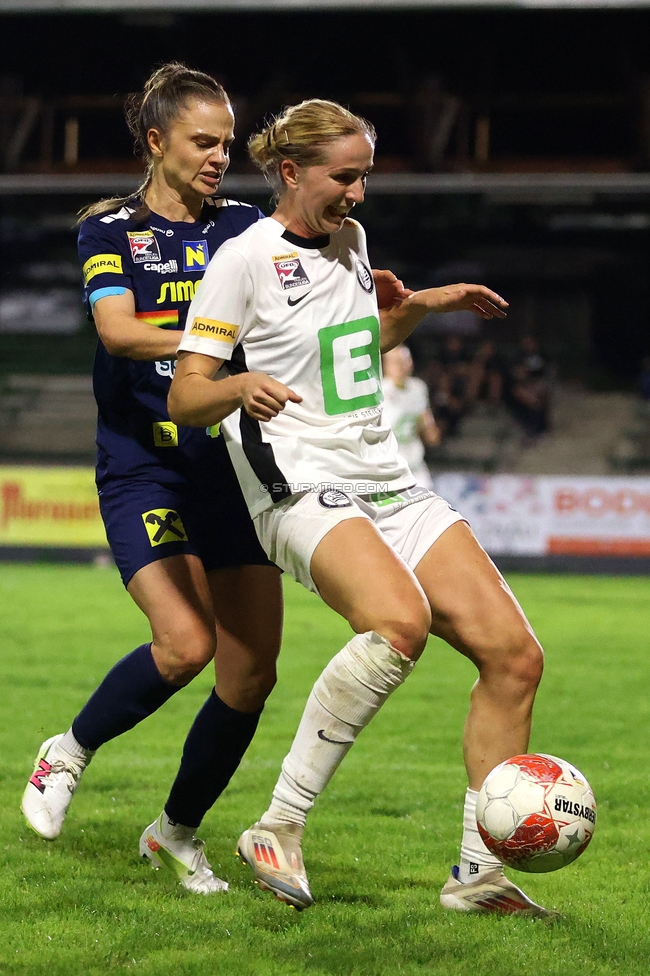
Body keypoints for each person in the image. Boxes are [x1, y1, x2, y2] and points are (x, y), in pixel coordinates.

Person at [167, 98, 554, 918]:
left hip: (386, 476)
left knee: (516, 657)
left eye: (365, 176)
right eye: (345, 177)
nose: (359, 193)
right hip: (299, 481)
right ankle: (279, 826)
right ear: (291, 171)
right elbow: (186, 395)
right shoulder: (243, 259)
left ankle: (477, 874)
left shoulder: (349, 240)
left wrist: (422, 305)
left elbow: (350, 352)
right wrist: (237, 382)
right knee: (397, 625)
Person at [20, 63, 286, 896]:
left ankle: (175, 832)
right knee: (186, 645)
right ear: (157, 140)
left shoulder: (248, 225)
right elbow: (120, 332)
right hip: (147, 467)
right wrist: (223, 338)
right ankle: (66, 752)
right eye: (203, 142)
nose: (219, 157)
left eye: (227, 143)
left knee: (249, 676)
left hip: (231, 470)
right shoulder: (110, 230)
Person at [382, 344, 440, 488]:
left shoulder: (418, 388)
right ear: (386, 366)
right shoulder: (378, 392)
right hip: (388, 472)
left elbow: (427, 427)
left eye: (404, 361)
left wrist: (430, 430)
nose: (400, 367)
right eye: (395, 362)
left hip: (416, 468)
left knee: (428, 509)